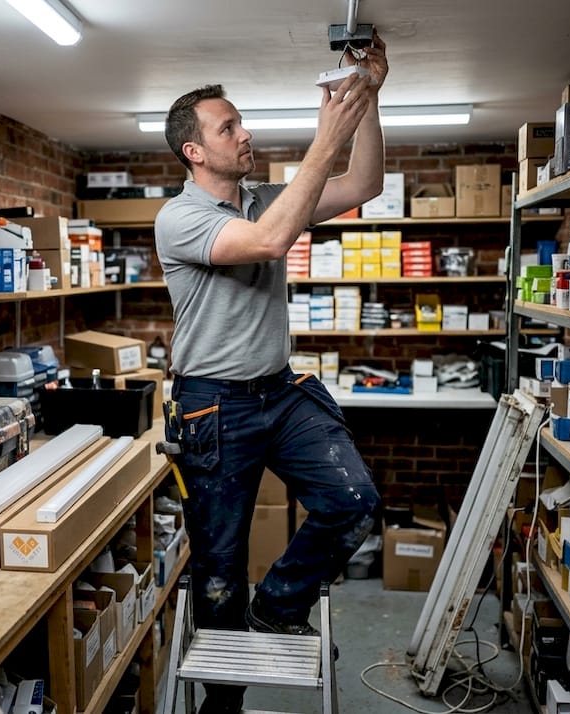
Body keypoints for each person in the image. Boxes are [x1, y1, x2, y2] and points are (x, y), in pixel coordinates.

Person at [154, 35, 388, 713]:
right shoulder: (180, 218)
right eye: (228, 127)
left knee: (354, 502)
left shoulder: (263, 199)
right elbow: (269, 242)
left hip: (280, 392)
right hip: (213, 405)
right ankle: (222, 704)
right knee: (220, 570)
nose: (245, 134)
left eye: (241, 122)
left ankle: (280, 606)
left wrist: (368, 98)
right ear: (194, 151)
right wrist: (325, 139)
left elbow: (364, 184)